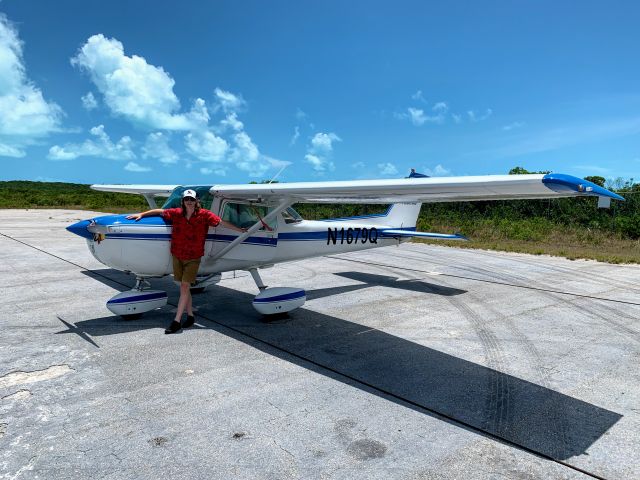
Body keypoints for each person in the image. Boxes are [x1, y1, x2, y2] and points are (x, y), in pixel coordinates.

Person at [127, 189, 245, 334]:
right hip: (177, 255)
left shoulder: (205, 215)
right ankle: (190, 316)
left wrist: (241, 230)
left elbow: (221, 222)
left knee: (184, 286)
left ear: (197, 201)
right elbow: (159, 211)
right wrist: (142, 214)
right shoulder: (176, 213)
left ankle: (176, 321)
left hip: (193, 257)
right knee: (184, 288)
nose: (189, 202)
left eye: (192, 199)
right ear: (183, 201)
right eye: (187, 199)